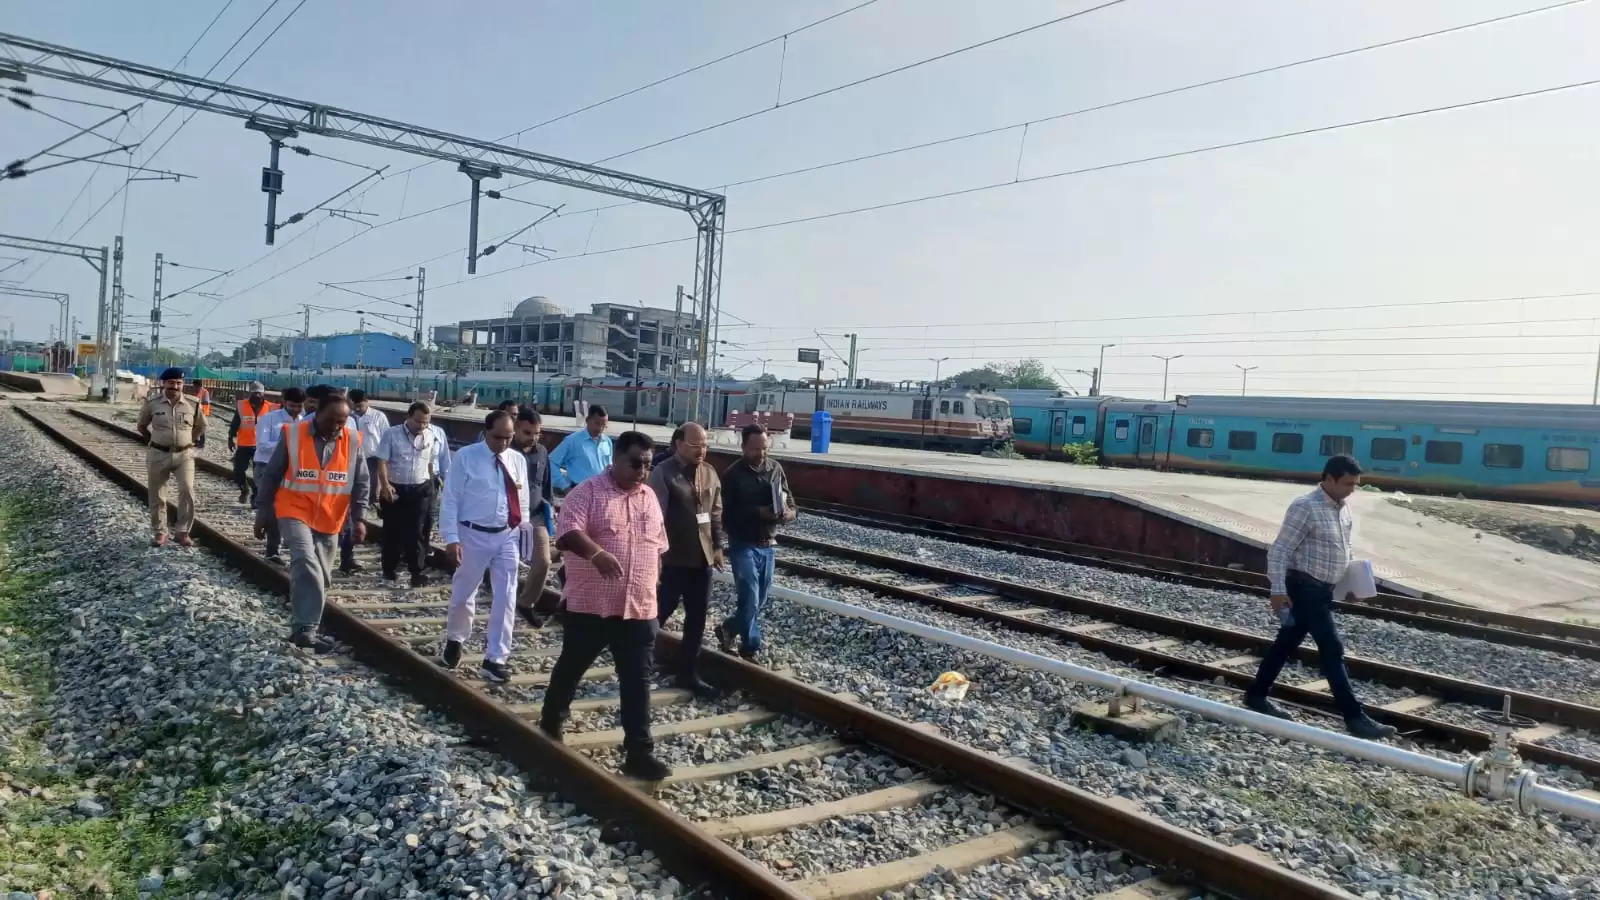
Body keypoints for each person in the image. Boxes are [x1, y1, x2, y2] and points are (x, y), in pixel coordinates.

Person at [539, 430, 670, 780]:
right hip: (592, 605)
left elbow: (658, 544)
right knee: (572, 667)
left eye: (647, 464)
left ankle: (639, 753)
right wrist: (596, 554)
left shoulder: (649, 498)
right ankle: (551, 719)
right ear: (615, 459)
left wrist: (654, 578)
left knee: (637, 680)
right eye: (635, 463)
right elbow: (566, 533)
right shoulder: (587, 493)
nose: (642, 470)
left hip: (639, 608)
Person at [1245, 455, 1397, 740]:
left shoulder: (1344, 509)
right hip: (1304, 589)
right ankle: (1354, 717)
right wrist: (1277, 590)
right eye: (1348, 483)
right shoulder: (1306, 507)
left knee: (1285, 645)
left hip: (1324, 591)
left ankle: (1256, 695)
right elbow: (1279, 551)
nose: (1353, 489)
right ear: (1329, 479)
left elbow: (1341, 551)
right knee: (1332, 649)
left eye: (1356, 484)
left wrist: (1348, 585)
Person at [255, 391, 369, 651]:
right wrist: (263, 511)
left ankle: (301, 628)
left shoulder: (352, 440)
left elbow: (362, 482)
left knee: (322, 576)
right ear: (317, 413)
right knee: (306, 562)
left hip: (330, 515)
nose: (336, 427)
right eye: (331, 420)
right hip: (293, 510)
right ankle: (307, 632)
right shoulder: (293, 434)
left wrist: (359, 518)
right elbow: (271, 475)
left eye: (342, 421)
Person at [438, 410, 530, 683]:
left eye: (508, 437)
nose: (503, 442)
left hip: (506, 535)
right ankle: (455, 639)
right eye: (497, 437)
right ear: (485, 431)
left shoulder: (517, 460)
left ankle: (495, 658)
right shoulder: (466, 457)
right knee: (465, 591)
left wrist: (522, 532)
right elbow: (451, 499)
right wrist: (452, 538)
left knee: (506, 595)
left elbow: (521, 499)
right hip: (472, 534)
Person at [649, 422, 724, 698]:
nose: (701, 450)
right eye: (695, 445)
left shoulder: (709, 473)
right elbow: (654, 519)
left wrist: (717, 547)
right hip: (671, 560)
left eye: (704, 444)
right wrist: (654, 557)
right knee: (657, 614)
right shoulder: (664, 473)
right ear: (678, 444)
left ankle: (688, 672)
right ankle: (638, 662)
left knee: (697, 620)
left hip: (701, 560)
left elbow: (715, 513)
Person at [716, 424, 796, 659]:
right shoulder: (733, 474)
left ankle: (729, 628)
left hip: (768, 542)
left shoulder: (775, 468)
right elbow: (726, 513)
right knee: (749, 596)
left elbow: (790, 501)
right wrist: (759, 512)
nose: (760, 453)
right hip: (743, 542)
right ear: (743, 447)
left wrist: (789, 514)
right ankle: (751, 645)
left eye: (764, 448)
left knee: (759, 599)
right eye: (755, 449)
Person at [135, 367, 207, 548]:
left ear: (183, 384)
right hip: (158, 454)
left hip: (184, 455)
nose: (174, 386)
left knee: (187, 490)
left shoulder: (193, 403)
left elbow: (200, 426)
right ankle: (160, 532)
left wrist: (187, 441)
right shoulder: (152, 404)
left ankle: (182, 532)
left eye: (178, 383)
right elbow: (142, 426)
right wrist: (154, 441)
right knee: (157, 494)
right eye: (171, 383)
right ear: (164, 384)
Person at [374, 402, 443, 586]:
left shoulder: (431, 435)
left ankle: (416, 572)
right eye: (419, 421)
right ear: (409, 417)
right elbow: (382, 462)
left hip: (420, 488)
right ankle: (389, 570)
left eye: (426, 422)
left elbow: (430, 461)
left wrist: (432, 484)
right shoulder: (392, 434)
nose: (422, 426)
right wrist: (385, 484)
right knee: (392, 532)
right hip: (395, 488)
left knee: (418, 532)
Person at [513, 408, 558, 626]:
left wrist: (550, 505)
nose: (532, 438)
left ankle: (526, 603)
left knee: (543, 561)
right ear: (515, 429)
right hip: (508, 518)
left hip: (536, 515)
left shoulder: (541, 452)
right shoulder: (505, 452)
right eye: (527, 432)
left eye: (536, 433)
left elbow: (546, 484)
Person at [252, 387, 304, 562]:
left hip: (291, 470)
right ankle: (272, 549)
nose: (295, 410)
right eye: (292, 405)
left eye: (299, 406)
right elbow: (262, 444)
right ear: (284, 402)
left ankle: (287, 544)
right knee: (273, 508)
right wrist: (289, 445)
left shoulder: (304, 422)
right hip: (265, 467)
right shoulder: (269, 419)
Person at [340, 389, 389, 573]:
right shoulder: (348, 417)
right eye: (355, 405)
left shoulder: (378, 416)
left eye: (361, 404)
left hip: (371, 460)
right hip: (346, 464)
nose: (358, 408)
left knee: (362, 501)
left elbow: (385, 438)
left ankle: (347, 555)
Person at [227, 382, 276, 504]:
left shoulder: (270, 407)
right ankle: (244, 489)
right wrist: (230, 438)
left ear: (263, 394)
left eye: (259, 393)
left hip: (261, 446)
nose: (257, 395)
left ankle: (256, 497)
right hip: (244, 444)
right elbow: (235, 424)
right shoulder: (242, 406)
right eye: (254, 393)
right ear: (250, 393)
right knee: (238, 470)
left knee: (258, 474)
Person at [549, 404, 613, 492]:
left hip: (603, 491)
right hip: (580, 490)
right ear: (587, 420)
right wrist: (564, 485)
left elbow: (610, 466)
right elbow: (551, 462)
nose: (600, 428)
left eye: (604, 425)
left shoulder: (607, 441)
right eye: (597, 423)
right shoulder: (572, 441)